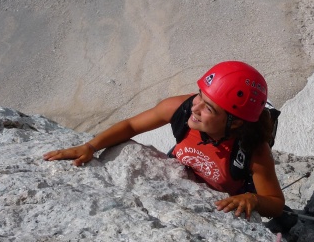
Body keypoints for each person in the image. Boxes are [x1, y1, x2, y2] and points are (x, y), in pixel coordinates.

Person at [43, 61, 285, 220]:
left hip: (220, 201)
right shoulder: (179, 108)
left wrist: (252, 199)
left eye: (209, 107)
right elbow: (130, 126)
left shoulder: (253, 150)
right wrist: (91, 147)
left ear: (236, 122)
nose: (195, 107)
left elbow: (275, 203)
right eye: (199, 96)